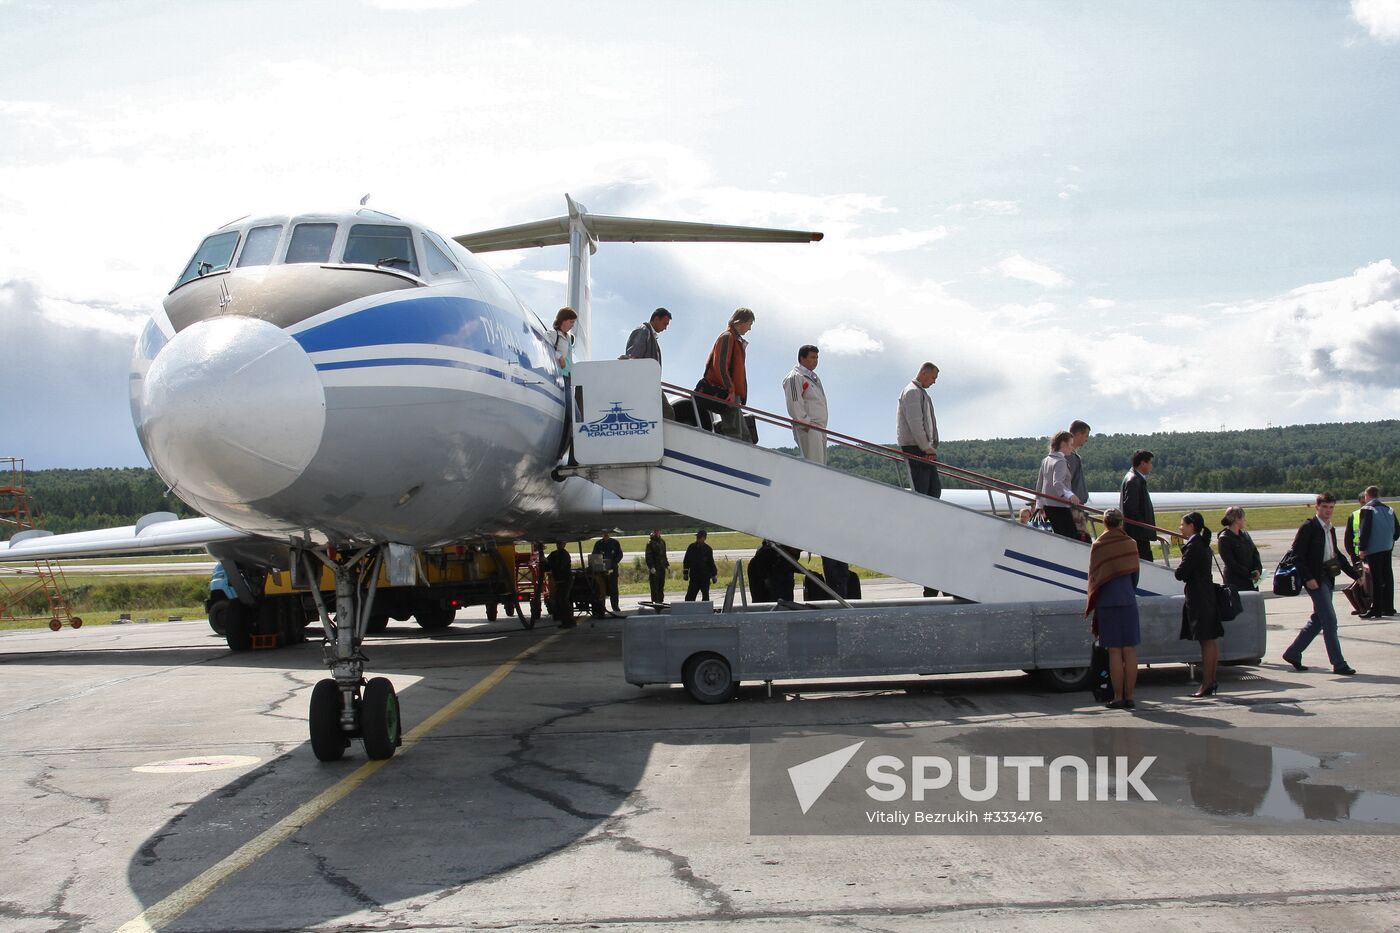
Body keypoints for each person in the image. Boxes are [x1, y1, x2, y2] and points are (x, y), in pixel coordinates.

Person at [1282, 493, 1360, 675]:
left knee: (1319, 619)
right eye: (1325, 507)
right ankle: (1339, 664)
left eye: (1331, 507)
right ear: (1317, 507)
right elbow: (1296, 556)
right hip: (1315, 580)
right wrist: (1308, 578)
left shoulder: (1329, 529)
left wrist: (1355, 575)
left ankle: (1293, 653)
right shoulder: (1309, 527)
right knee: (1330, 621)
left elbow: (1336, 555)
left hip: (1327, 577)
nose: (1328, 511)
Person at [1086, 509, 1140, 709]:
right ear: (1121, 523)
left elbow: (1094, 578)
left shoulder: (1098, 545)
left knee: (1114, 652)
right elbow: (1135, 576)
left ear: (1105, 524)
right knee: (1130, 650)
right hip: (1127, 600)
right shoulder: (1131, 544)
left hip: (1108, 603)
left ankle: (1118, 697)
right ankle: (1130, 696)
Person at [1175, 512, 1222, 697]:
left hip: (1199, 598)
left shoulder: (1194, 546)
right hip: (1206, 595)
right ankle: (1210, 681)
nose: (1180, 528)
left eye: (1182, 524)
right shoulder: (1201, 543)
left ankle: (1207, 683)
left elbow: (1181, 573)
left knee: (1206, 641)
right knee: (1209, 640)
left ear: (1191, 525)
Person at [696, 308, 755, 441]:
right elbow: (720, 365)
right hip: (728, 394)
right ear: (741, 321)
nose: (749, 328)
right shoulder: (728, 337)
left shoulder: (735, 340)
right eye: (750, 323)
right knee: (735, 434)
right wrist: (731, 389)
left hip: (733, 395)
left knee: (745, 437)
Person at [896, 362, 940, 498]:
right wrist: (926, 447)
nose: (934, 382)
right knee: (923, 490)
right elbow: (915, 423)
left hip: (922, 447)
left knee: (933, 490)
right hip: (916, 448)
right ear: (924, 373)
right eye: (933, 378)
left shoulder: (920, 392)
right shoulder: (913, 392)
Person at [1356, 485, 1398, 618]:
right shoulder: (1390, 510)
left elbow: (1365, 530)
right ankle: (1388, 607)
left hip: (1374, 549)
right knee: (1387, 576)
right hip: (1387, 547)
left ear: (1367, 496)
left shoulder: (1367, 509)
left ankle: (1377, 608)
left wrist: (1362, 548)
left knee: (1375, 578)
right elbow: (1397, 531)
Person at [625, 307, 674, 419]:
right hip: (645, 383)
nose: (665, 328)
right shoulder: (643, 331)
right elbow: (633, 356)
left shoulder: (650, 335)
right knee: (667, 412)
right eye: (664, 323)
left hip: (649, 383)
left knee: (664, 412)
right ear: (656, 319)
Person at [782, 345, 828, 464]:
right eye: (812, 357)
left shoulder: (813, 377)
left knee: (820, 464)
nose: (815, 361)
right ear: (802, 358)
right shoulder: (795, 377)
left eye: (817, 357)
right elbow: (794, 402)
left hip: (820, 427)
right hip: (809, 427)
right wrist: (805, 423)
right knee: (813, 464)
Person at [1035, 431, 1080, 538]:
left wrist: (1039, 503)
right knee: (1070, 537)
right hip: (1060, 505)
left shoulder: (1046, 460)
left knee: (1058, 536)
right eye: (1070, 444)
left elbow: (1040, 483)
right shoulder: (1060, 461)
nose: (1072, 448)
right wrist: (1070, 495)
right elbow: (1057, 483)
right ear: (1063, 444)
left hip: (1048, 505)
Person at [1119, 449, 1157, 562]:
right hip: (1138, 535)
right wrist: (1143, 526)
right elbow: (1131, 509)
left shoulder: (1134, 478)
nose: (1151, 466)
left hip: (1138, 533)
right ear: (1142, 463)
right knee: (1145, 563)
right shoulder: (1133, 480)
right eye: (1150, 462)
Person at [1217, 506, 1263, 591]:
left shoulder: (1245, 535)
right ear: (1237, 519)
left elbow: (1255, 553)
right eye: (1243, 518)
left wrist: (1257, 569)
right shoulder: (1225, 538)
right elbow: (1231, 563)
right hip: (1235, 582)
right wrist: (1249, 574)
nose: (1245, 520)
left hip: (1251, 581)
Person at [1066, 420, 1091, 540]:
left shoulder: (1071, 455)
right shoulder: (1069, 456)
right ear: (1079, 434)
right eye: (1086, 436)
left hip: (1076, 507)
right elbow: (1065, 482)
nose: (1086, 440)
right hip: (1073, 509)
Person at [591, 531, 624, 616]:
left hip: (612, 570)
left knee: (613, 589)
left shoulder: (615, 543)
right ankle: (602, 607)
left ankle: (615, 606)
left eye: (607, 534)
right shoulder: (598, 544)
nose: (606, 535)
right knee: (602, 589)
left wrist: (613, 563)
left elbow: (620, 555)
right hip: (601, 571)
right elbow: (594, 556)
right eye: (604, 534)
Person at [544, 541, 575, 628]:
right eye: (558, 544)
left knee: (563, 600)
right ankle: (565, 621)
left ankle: (570, 621)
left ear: (564, 545)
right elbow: (547, 567)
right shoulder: (554, 554)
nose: (559, 545)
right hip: (559, 581)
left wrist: (547, 562)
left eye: (561, 544)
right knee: (559, 601)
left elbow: (559, 566)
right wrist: (544, 562)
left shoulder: (565, 554)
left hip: (565, 580)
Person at [682, 530, 718, 601]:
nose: (697, 539)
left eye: (699, 537)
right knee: (690, 596)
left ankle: (705, 611)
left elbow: (711, 563)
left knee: (705, 596)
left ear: (704, 538)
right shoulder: (691, 547)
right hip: (694, 577)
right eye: (697, 537)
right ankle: (688, 610)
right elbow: (686, 561)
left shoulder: (708, 549)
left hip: (705, 577)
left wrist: (714, 575)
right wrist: (685, 573)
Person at [644, 529, 669, 604]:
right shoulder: (650, 542)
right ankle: (655, 602)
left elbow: (664, 554)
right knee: (654, 587)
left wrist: (667, 564)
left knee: (661, 586)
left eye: (658, 531)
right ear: (654, 532)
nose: (657, 532)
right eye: (656, 531)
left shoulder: (662, 542)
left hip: (662, 567)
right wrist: (651, 567)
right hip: (655, 568)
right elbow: (648, 556)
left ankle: (661, 601)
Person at [550, 307, 577, 378]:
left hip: (568, 375)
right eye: (571, 322)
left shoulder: (567, 337)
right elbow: (545, 348)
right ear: (563, 320)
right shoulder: (554, 334)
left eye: (573, 322)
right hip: (560, 374)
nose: (572, 325)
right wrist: (560, 357)